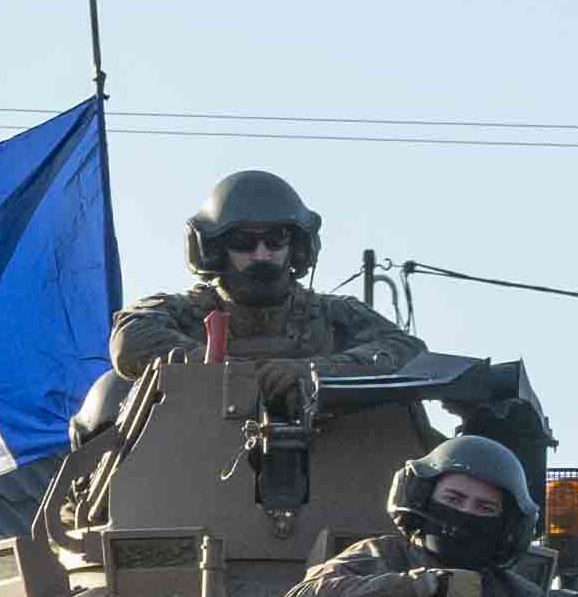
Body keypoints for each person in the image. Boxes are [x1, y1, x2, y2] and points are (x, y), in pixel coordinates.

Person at [104, 168, 554, 471]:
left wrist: (313, 374)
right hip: (194, 483)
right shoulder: (185, 313)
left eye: (275, 239)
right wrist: (214, 370)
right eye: (244, 241)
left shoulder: (334, 317)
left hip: (347, 488)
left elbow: (405, 354)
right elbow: (131, 338)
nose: (262, 254)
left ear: (296, 246)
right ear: (214, 248)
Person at [282, 436, 569, 597]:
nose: (466, 514)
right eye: (453, 499)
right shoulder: (383, 556)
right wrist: (427, 587)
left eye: (485, 508)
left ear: (506, 525)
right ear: (421, 500)